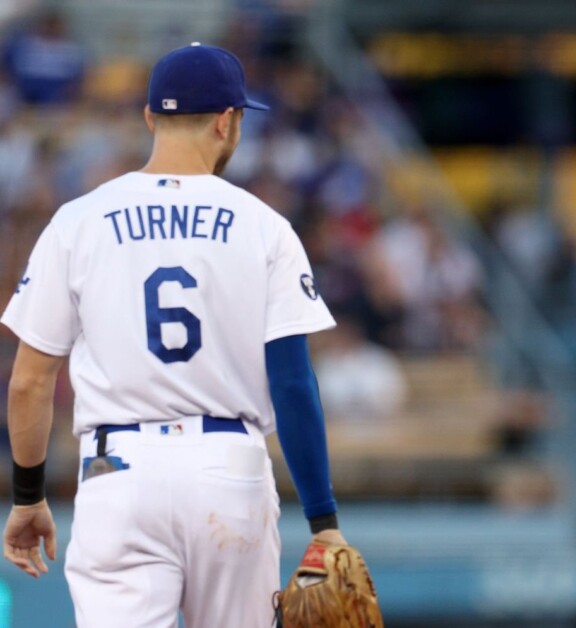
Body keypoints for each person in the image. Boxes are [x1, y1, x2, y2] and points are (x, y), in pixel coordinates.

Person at [1, 43, 347, 627]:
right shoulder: (267, 227)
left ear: (148, 118)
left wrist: (29, 496)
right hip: (228, 469)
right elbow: (292, 383)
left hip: (118, 471)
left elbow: (31, 382)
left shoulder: (78, 221)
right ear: (226, 121)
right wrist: (324, 521)